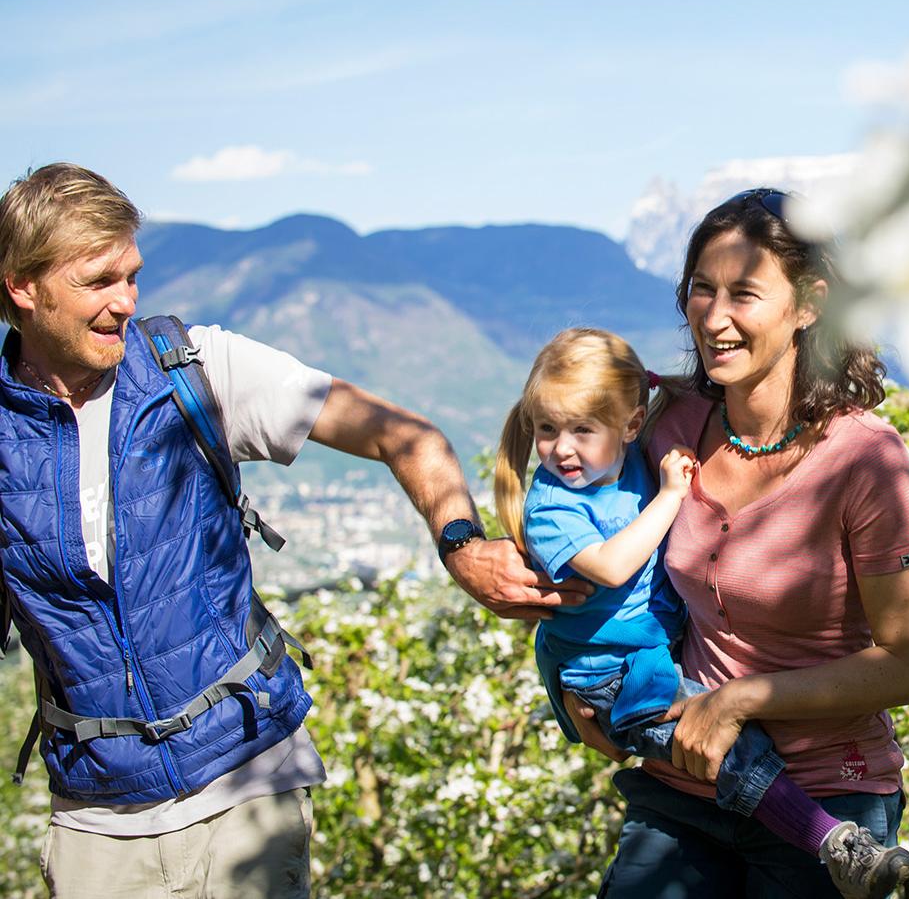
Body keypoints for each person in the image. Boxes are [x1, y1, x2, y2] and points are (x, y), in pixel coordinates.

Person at [0, 163, 589, 899]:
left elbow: (403, 435)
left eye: (133, 276)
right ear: (24, 288)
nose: (127, 302)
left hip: (247, 783)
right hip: (97, 822)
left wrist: (460, 547)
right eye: (99, 282)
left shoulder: (194, 368)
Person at [564, 189, 909, 898]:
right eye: (701, 291)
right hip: (686, 783)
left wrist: (739, 701)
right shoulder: (671, 423)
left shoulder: (864, 460)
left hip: (828, 804)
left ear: (809, 305)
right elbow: (573, 498)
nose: (715, 318)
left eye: (744, 293)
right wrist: (579, 688)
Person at [493, 327, 909, 899]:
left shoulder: (636, 455)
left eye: (580, 430)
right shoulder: (571, 493)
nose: (561, 448)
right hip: (627, 689)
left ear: (629, 426)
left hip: (825, 768)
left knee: (732, 748)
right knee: (734, 755)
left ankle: (836, 840)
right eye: (546, 430)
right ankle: (835, 844)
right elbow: (610, 571)